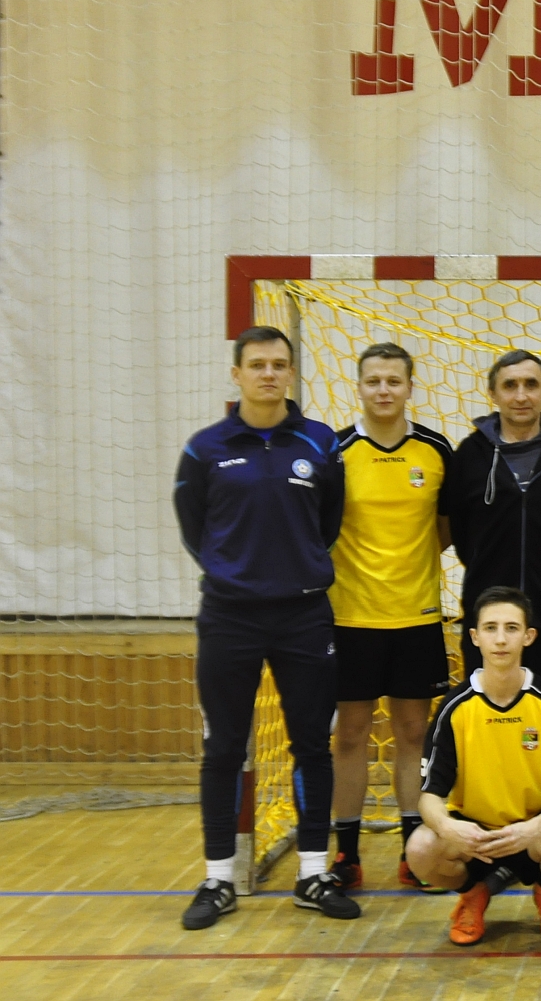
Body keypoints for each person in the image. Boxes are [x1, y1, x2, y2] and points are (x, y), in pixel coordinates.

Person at [172, 324, 358, 928]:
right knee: (224, 747)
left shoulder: (321, 443)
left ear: (291, 373)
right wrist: (236, 575)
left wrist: (294, 570)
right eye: (257, 365)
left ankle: (312, 874)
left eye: (279, 364)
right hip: (229, 618)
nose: (269, 374)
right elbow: (194, 528)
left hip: (304, 616)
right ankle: (218, 879)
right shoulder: (205, 448)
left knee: (313, 745)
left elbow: (328, 523)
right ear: (237, 374)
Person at [327, 342, 454, 893]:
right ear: (359, 386)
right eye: (374, 381)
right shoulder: (335, 451)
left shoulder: (435, 450)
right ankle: (346, 855)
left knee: (412, 733)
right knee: (350, 735)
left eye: (394, 381)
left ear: (410, 387)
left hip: (416, 619)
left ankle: (412, 850)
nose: (384, 390)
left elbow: (445, 531)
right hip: (350, 619)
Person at [405, 588, 541, 946]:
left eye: (511, 628)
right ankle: (472, 895)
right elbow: (429, 796)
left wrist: (533, 829)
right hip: (477, 838)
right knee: (420, 849)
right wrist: (448, 827)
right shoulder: (454, 707)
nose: (501, 639)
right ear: (475, 637)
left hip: (534, 834)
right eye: (490, 628)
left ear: (528, 636)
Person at [449, 349, 541, 701]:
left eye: (531, 384)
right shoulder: (470, 454)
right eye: (510, 385)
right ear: (493, 394)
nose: (521, 395)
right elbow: (458, 530)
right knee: (488, 718)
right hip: (490, 622)